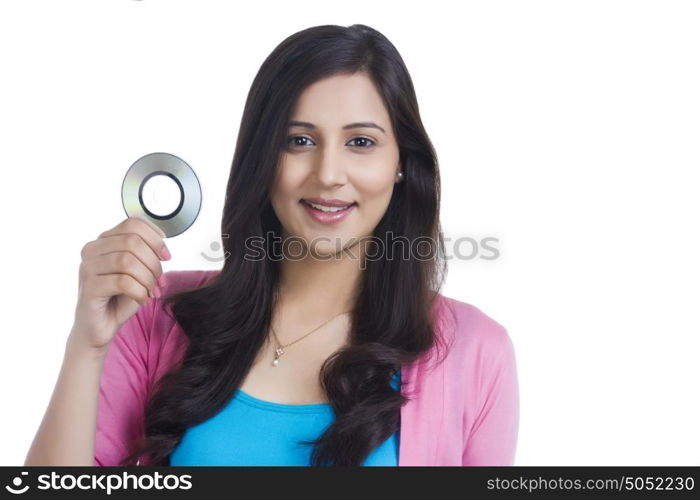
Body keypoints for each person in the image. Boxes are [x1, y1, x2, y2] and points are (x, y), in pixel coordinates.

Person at [24, 23, 519, 467]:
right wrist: (87, 346)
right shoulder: (154, 315)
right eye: (299, 141)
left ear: (401, 164)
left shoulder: (476, 351)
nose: (328, 174)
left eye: (361, 142)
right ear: (262, 157)